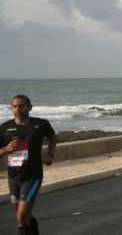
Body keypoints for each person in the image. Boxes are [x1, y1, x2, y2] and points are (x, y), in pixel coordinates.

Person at [0, 95, 57, 235]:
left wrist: (50, 154)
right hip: (13, 177)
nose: (18, 109)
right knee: (26, 216)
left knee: (21, 218)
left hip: (33, 176)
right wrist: (6, 149)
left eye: (21, 105)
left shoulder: (41, 124)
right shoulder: (5, 128)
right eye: (14, 106)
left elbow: (52, 137)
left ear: (29, 107)